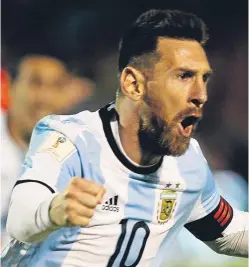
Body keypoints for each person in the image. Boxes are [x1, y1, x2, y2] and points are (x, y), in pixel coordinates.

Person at [2, 9, 248, 267]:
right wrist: (53, 210)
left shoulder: (187, 165)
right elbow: (21, 217)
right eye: (183, 76)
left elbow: (227, 231)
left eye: (204, 78)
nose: (200, 94)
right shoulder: (71, 139)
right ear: (133, 84)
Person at [1, 54, 94, 248]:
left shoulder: (79, 156)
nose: (44, 98)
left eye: (57, 86)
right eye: (35, 83)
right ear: (9, 85)